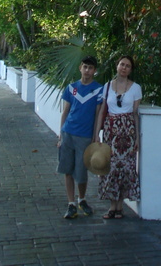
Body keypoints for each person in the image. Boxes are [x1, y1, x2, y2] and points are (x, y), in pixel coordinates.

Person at [94, 55, 142, 219]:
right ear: (117, 66)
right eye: (122, 64)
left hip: (127, 132)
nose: (124, 68)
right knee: (111, 168)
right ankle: (112, 206)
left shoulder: (136, 88)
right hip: (111, 131)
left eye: (128, 66)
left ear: (131, 69)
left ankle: (120, 206)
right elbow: (102, 111)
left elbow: (135, 113)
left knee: (126, 168)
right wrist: (97, 134)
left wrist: (137, 138)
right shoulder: (107, 86)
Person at [57, 55, 103, 219]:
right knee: (67, 170)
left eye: (90, 68)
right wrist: (60, 135)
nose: (87, 70)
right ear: (80, 68)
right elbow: (65, 111)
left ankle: (82, 199)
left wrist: (95, 135)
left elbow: (98, 114)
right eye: (85, 67)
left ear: (94, 71)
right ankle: (71, 204)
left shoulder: (98, 89)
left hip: (85, 137)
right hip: (68, 133)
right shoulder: (71, 88)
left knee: (81, 172)